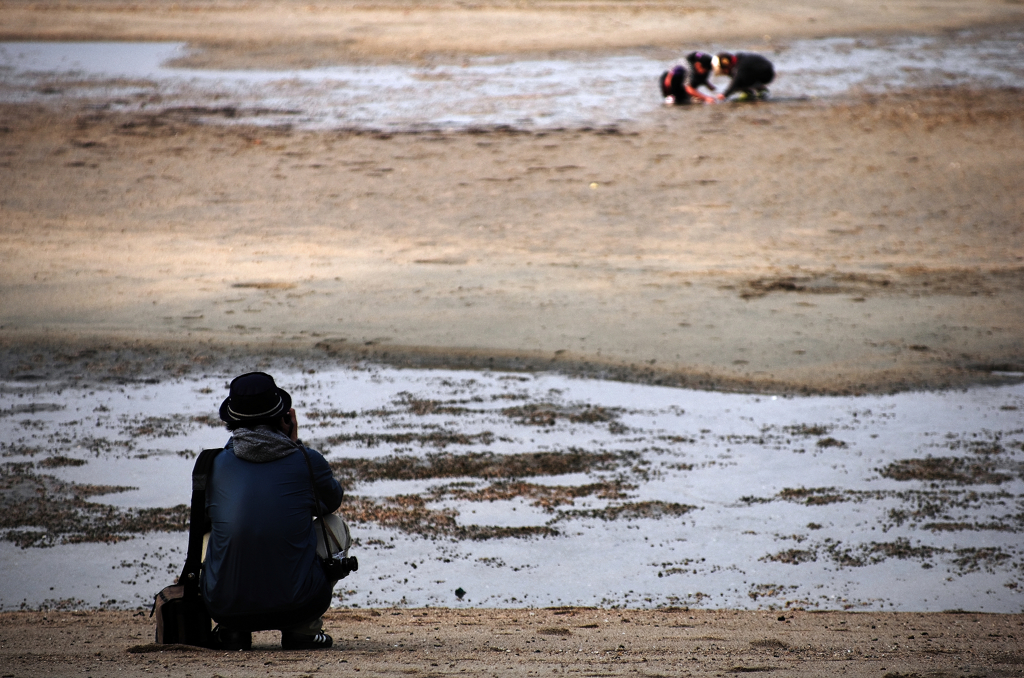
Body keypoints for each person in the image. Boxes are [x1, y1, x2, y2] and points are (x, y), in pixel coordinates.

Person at [201, 371, 344, 651]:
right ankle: (303, 629)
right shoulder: (306, 460)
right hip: (299, 603)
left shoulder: (211, 464)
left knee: (212, 532)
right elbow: (332, 501)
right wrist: (294, 446)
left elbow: (208, 518)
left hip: (224, 606)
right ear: (284, 417)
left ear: (229, 420)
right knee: (335, 525)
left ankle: (231, 630)